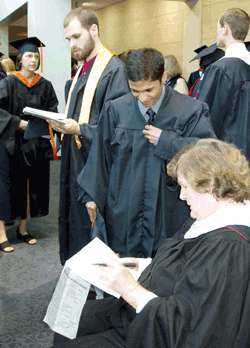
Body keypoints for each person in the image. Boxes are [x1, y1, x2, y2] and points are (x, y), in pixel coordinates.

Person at [53, 138, 250, 347]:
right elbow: (183, 264)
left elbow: (190, 330)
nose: (182, 196)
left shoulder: (228, 246)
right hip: (147, 308)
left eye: (185, 187)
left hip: (157, 330)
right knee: (71, 319)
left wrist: (129, 289)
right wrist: (136, 264)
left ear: (210, 187)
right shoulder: (211, 216)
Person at [77, 48, 216, 259]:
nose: (142, 98)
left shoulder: (190, 110)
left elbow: (207, 154)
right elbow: (100, 156)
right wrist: (92, 195)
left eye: (149, 90)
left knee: (166, 266)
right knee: (125, 265)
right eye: (135, 90)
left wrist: (166, 140)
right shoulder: (116, 110)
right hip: (124, 206)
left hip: (169, 209)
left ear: (164, 77)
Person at [47, 7, 130, 265]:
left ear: (94, 30)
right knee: (73, 222)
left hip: (95, 169)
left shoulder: (114, 71)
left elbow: (118, 130)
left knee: (91, 231)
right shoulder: (83, 69)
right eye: (68, 40)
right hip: (75, 160)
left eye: (76, 36)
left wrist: (79, 129)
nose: (72, 44)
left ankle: (94, 292)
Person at [0, 37, 59, 252]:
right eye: (29, 56)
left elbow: (52, 111)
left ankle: (23, 229)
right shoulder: (8, 83)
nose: (33, 60)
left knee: (29, 187)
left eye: (36, 56)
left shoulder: (45, 85)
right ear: (20, 59)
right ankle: (1, 234)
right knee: (6, 187)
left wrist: (46, 122)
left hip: (34, 144)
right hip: (9, 144)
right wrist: (18, 123)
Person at [196, 8, 250, 160]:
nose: (217, 33)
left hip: (229, 156)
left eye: (218, 28)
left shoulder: (221, 69)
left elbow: (206, 118)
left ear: (225, 29)